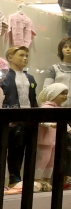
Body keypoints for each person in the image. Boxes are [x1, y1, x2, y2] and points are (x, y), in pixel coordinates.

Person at [2, 46, 38, 186]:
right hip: (11, 119)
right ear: (10, 57)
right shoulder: (5, 76)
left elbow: (33, 98)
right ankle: (12, 177)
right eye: (21, 55)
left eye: (27, 55)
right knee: (12, 148)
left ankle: (20, 178)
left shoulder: (30, 78)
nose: (25, 58)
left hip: (28, 118)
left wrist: (37, 115)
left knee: (26, 149)